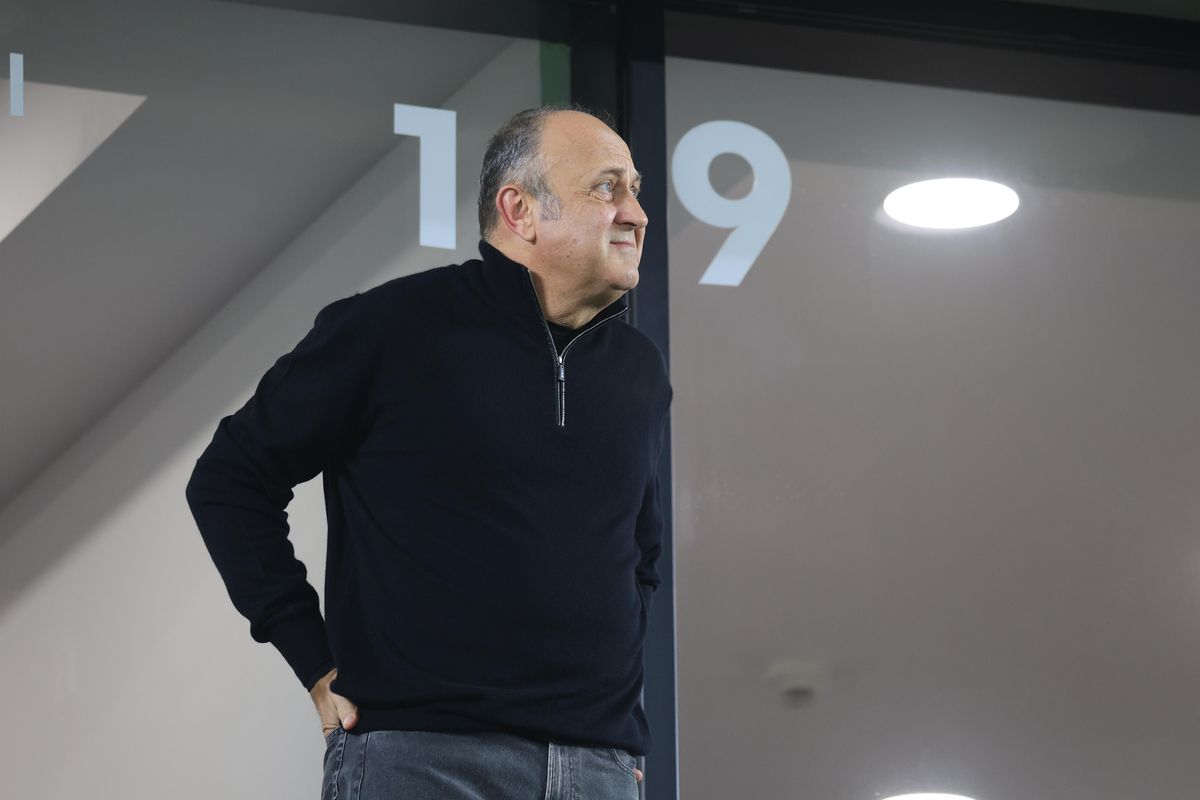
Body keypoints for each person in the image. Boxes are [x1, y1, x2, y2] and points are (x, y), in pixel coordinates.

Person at [185, 103, 669, 798]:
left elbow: (639, 559)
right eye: (606, 187)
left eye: (636, 190)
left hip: (598, 767)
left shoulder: (639, 370)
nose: (636, 214)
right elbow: (230, 478)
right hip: (421, 761)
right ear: (521, 210)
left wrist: (610, 737)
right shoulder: (392, 329)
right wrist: (312, 659)